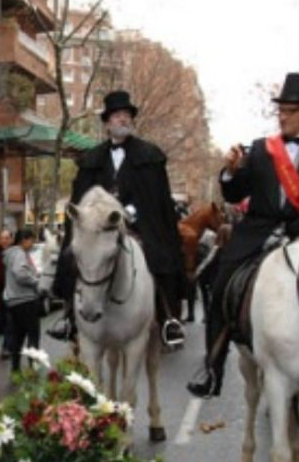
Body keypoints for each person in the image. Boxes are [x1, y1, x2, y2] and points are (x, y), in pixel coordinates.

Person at [187, 73, 299, 397]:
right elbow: (235, 195)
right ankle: (212, 368)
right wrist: (230, 172)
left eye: (291, 110)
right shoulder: (264, 149)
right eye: (281, 110)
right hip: (258, 231)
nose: (283, 116)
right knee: (219, 281)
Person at [52, 90, 186, 345]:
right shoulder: (90, 159)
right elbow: (80, 200)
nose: (123, 120)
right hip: (98, 226)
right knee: (75, 254)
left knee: (158, 255)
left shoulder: (150, 155)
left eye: (126, 115)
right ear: (107, 123)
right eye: (117, 115)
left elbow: (158, 200)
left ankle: (168, 318)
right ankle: (69, 314)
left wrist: (132, 212)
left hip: (139, 223)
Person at [3, 228, 41, 374]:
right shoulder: (19, 254)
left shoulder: (11, 254)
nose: (33, 243)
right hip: (25, 300)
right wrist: (35, 281)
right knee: (33, 335)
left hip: (13, 301)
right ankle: (33, 367)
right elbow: (20, 273)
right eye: (32, 240)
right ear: (24, 239)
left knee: (18, 336)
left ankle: (15, 368)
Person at [0, 229, 14, 358]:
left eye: (6, 238)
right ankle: (10, 344)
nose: (4, 240)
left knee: (10, 320)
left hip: (12, 292)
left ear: (11, 239)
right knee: (2, 321)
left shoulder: (16, 252)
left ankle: (7, 347)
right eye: (2, 238)